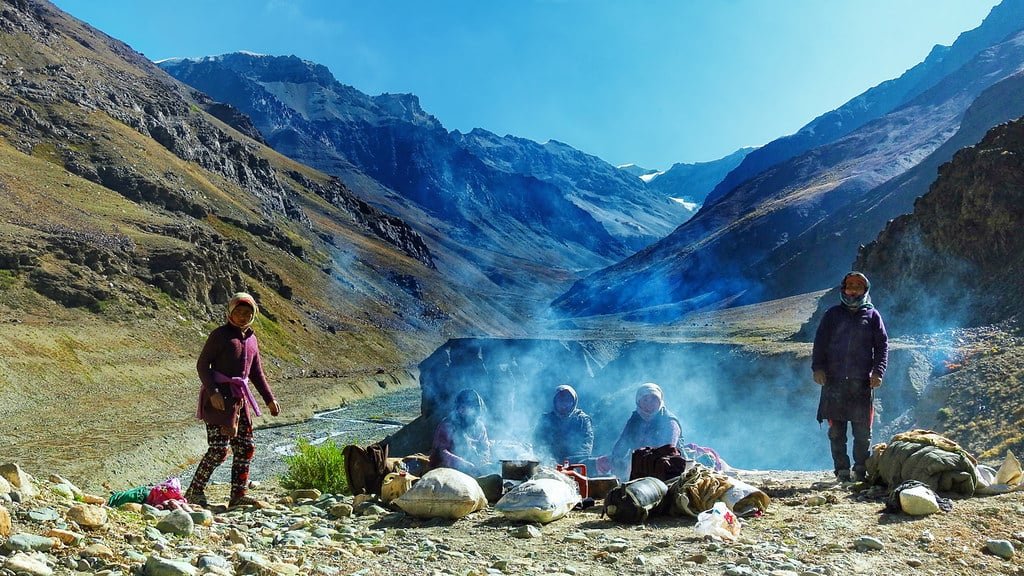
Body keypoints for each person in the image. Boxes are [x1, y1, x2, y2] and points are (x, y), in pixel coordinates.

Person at [185, 292, 281, 508]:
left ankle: (238, 496)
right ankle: (194, 492)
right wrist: (213, 392)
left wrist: (269, 400)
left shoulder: (252, 340)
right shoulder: (219, 335)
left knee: (246, 447)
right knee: (219, 450)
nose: (242, 316)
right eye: (238, 312)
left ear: (253, 315)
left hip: (239, 402)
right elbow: (203, 365)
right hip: (218, 402)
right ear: (230, 312)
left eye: (247, 313)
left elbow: (256, 373)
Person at [812, 271, 888, 483]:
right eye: (850, 285)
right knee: (836, 431)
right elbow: (820, 343)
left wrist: (878, 371)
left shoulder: (872, 316)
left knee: (862, 431)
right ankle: (842, 471)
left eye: (858, 286)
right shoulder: (832, 314)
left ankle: (861, 470)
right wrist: (818, 368)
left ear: (865, 290)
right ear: (843, 289)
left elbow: (882, 346)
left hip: (861, 383)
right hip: (834, 381)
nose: (853, 289)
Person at [605, 382, 681, 479]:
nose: (649, 404)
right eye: (645, 400)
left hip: (668, 469)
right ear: (638, 401)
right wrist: (616, 462)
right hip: (641, 467)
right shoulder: (635, 420)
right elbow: (621, 446)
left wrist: (639, 459)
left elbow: (668, 450)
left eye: (654, 399)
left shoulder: (669, 421)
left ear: (660, 401)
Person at [429, 388, 493, 475]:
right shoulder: (448, 425)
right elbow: (441, 452)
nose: (460, 410)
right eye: (459, 407)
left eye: (465, 407)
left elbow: (485, 448)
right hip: (446, 470)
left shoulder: (479, 427)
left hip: (473, 470)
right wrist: (463, 464)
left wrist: (482, 461)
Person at [532, 384, 594, 465]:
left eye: (568, 401)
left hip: (575, 465)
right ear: (555, 402)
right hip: (548, 463)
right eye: (561, 401)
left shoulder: (582, 420)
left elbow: (586, 446)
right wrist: (546, 459)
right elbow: (537, 441)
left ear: (574, 402)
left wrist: (570, 462)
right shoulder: (546, 419)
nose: (564, 405)